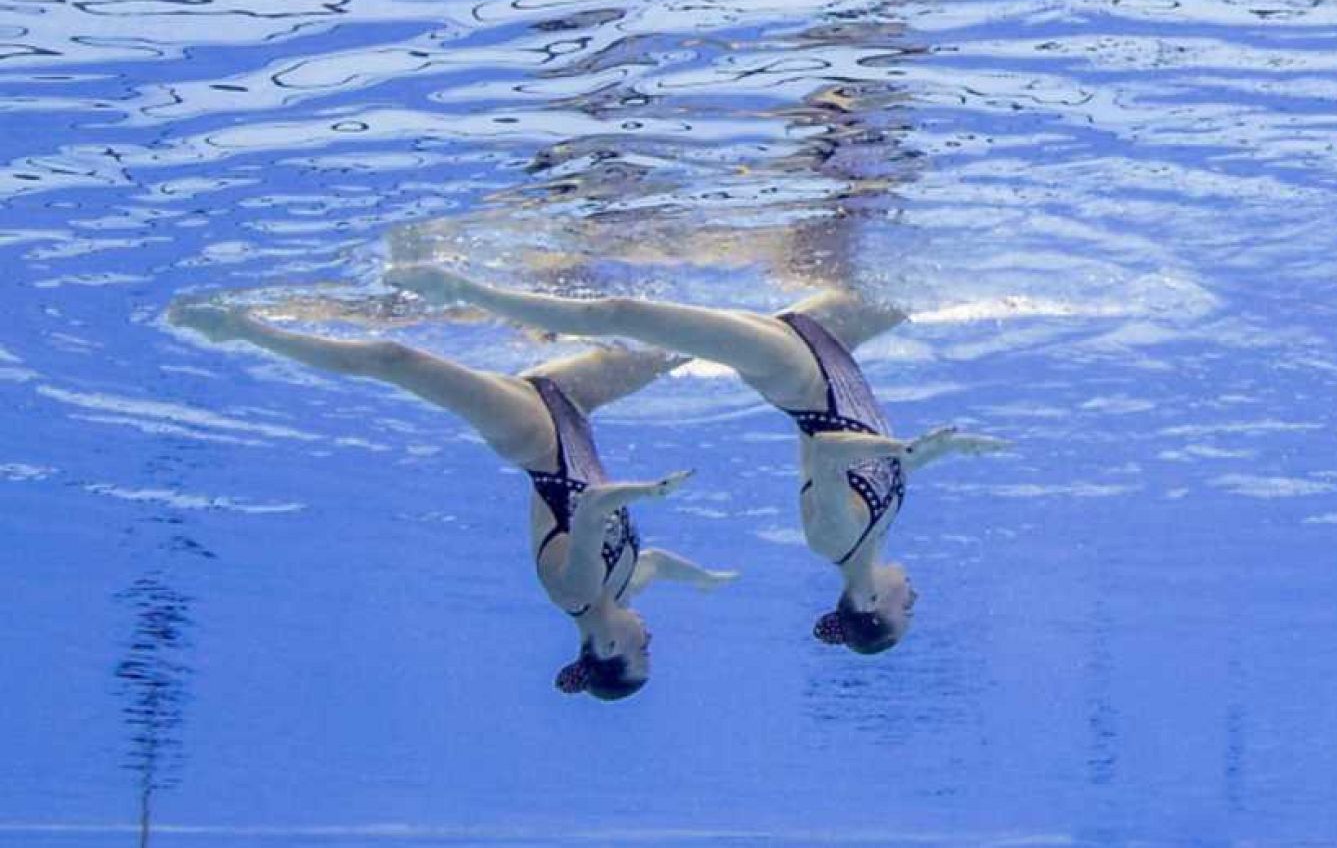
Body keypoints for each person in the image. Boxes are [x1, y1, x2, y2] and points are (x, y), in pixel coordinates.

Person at [382, 266, 1007, 655]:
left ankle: (464, 289)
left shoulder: (834, 540)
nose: (915, 601)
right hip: (830, 353)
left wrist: (902, 448)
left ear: (870, 607)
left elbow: (832, 449)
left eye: (906, 615)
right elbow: (882, 471)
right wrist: (934, 452)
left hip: (799, 373)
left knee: (625, 317)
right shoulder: (878, 529)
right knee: (907, 283)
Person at [166, 300, 736, 701]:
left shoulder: (576, 590)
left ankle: (242, 330)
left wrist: (650, 493)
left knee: (395, 360)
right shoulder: (620, 589)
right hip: (575, 411)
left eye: (644, 654)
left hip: (535, 436)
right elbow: (657, 563)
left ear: (609, 646)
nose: (652, 641)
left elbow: (589, 511)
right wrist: (703, 578)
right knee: (679, 344)